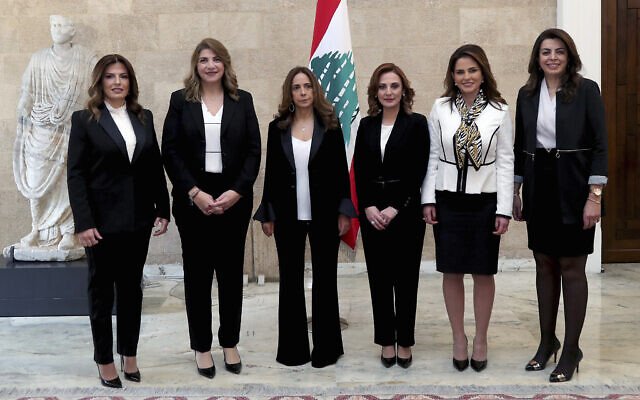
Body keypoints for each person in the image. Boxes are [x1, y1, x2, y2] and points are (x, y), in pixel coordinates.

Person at [67, 54, 170, 388]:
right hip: (100, 224)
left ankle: (129, 354)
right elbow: (76, 174)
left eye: (123, 76)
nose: (117, 82)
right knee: (101, 293)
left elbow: (153, 165)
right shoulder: (84, 120)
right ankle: (104, 359)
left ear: (130, 82)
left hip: (138, 220)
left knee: (131, 291)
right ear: (100, 82)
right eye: (110, 76)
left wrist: (163, 207)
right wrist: (83, 223)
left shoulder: (144, 117)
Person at [162, 38, 261, 378]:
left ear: (225, 64)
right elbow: (170, 151)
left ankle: (229, 343)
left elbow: (253, 151)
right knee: (198, 277)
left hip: (234, 200)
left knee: (232, 276)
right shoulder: (180, 101)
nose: (210, 65)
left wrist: (236, 192)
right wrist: (194, 192)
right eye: (204, 59)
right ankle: (202, 347)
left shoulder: (242, 100)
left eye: (216, 59)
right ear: (196, 65)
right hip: (194, 201)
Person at [513, 28, 607, 383]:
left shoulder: (586, 91)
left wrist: (594, 197)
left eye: (559, 51)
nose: (552, 57)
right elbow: (522, 143)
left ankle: (571, 349)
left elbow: (600, 146)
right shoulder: (526, 94)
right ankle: (547, 341)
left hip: (575, 187)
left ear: (569, 56)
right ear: (537, 58)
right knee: (544, 264)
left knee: (571, 267)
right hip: (540, 186)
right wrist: (516, 190)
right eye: (545, 52)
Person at [254, 66, 355, 368]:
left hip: (325, 214)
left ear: (315, 91)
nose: (302, 92)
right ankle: (293, 350)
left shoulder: (331, 126)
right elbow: (271, 173)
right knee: (290, 280)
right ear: (290, 93)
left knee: (326, 280)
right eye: (296, 87)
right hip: (287, 215)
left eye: (307, 87)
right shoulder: (277, 128)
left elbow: (340, 173)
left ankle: (327, 349)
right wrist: (268, 213)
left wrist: (344, 211)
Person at [421, 44, 513, 372]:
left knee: (483, 271)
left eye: (472, 70)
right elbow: (431, 155)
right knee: (452, 270)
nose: (466, 77)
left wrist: (503, 209)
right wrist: (428, 199)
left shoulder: (499, 110)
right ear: (452, 76)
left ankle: (482, 338)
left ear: (483, 72)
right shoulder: (441, 107)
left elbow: (505, 161)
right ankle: (458, 337)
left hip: (485, 201)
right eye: (460, 71)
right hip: (448, 200)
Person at [353, 63, 429, 369]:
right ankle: (386, 339)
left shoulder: (417, 123)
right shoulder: (367, 126)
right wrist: (369, 206)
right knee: (380, 279)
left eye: (394, 86)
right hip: (373, 215)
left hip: (406, 212)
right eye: (383, 87)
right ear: (375, 92)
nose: (388, 92)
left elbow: (419, 169)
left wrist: (396, 207)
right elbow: (359, 170)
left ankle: (405, 341)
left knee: (406, 279)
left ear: (403, 90)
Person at [15, 15, 96, 252]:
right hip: (41, 126)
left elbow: (97, 86)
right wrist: (23, 105)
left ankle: (68, 232)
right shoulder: (38, 58)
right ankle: (37, 228)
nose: (56, 29)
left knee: (69, 180)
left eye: (62, 26)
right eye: (53, 25)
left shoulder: (85, 57)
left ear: (72, 31)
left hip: (73, 128)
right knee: (36, 178)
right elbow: (27, 90)